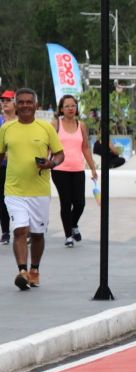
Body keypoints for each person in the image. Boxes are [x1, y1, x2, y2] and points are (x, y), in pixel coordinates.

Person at [0, 88, 65, 290]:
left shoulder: (46, 128)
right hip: (14, 190)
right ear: (16, 105)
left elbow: (60, 154)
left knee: (37, 234)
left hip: (39, 191)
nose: (25, 105)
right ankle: (22, 271)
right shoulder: (6, 129)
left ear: (36, 106)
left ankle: (34, 270)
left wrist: (50, 164)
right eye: (21, 102)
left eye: (29, 102)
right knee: (20, 230)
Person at [50, 95, 98, 247]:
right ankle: (68, 236)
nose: (71, 108)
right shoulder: (55, 124)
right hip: (59, 169)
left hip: (77, 168)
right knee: (66, 202)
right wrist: (46, 163)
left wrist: (92, 167)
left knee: (79, 203)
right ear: (61, 109)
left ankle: (73, 224)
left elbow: (85, 147)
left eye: (73, 105)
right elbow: (48, 146)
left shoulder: (81, 125)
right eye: (67, 106)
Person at [0, 89, 17, 245]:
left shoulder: (21, 121)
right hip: (2, 166)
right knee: (2, 199)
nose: (4, 103)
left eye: (8, 100)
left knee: (21, 198)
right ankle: (5, 231)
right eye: (2, 100)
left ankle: (26, 230)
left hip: (18, 166)